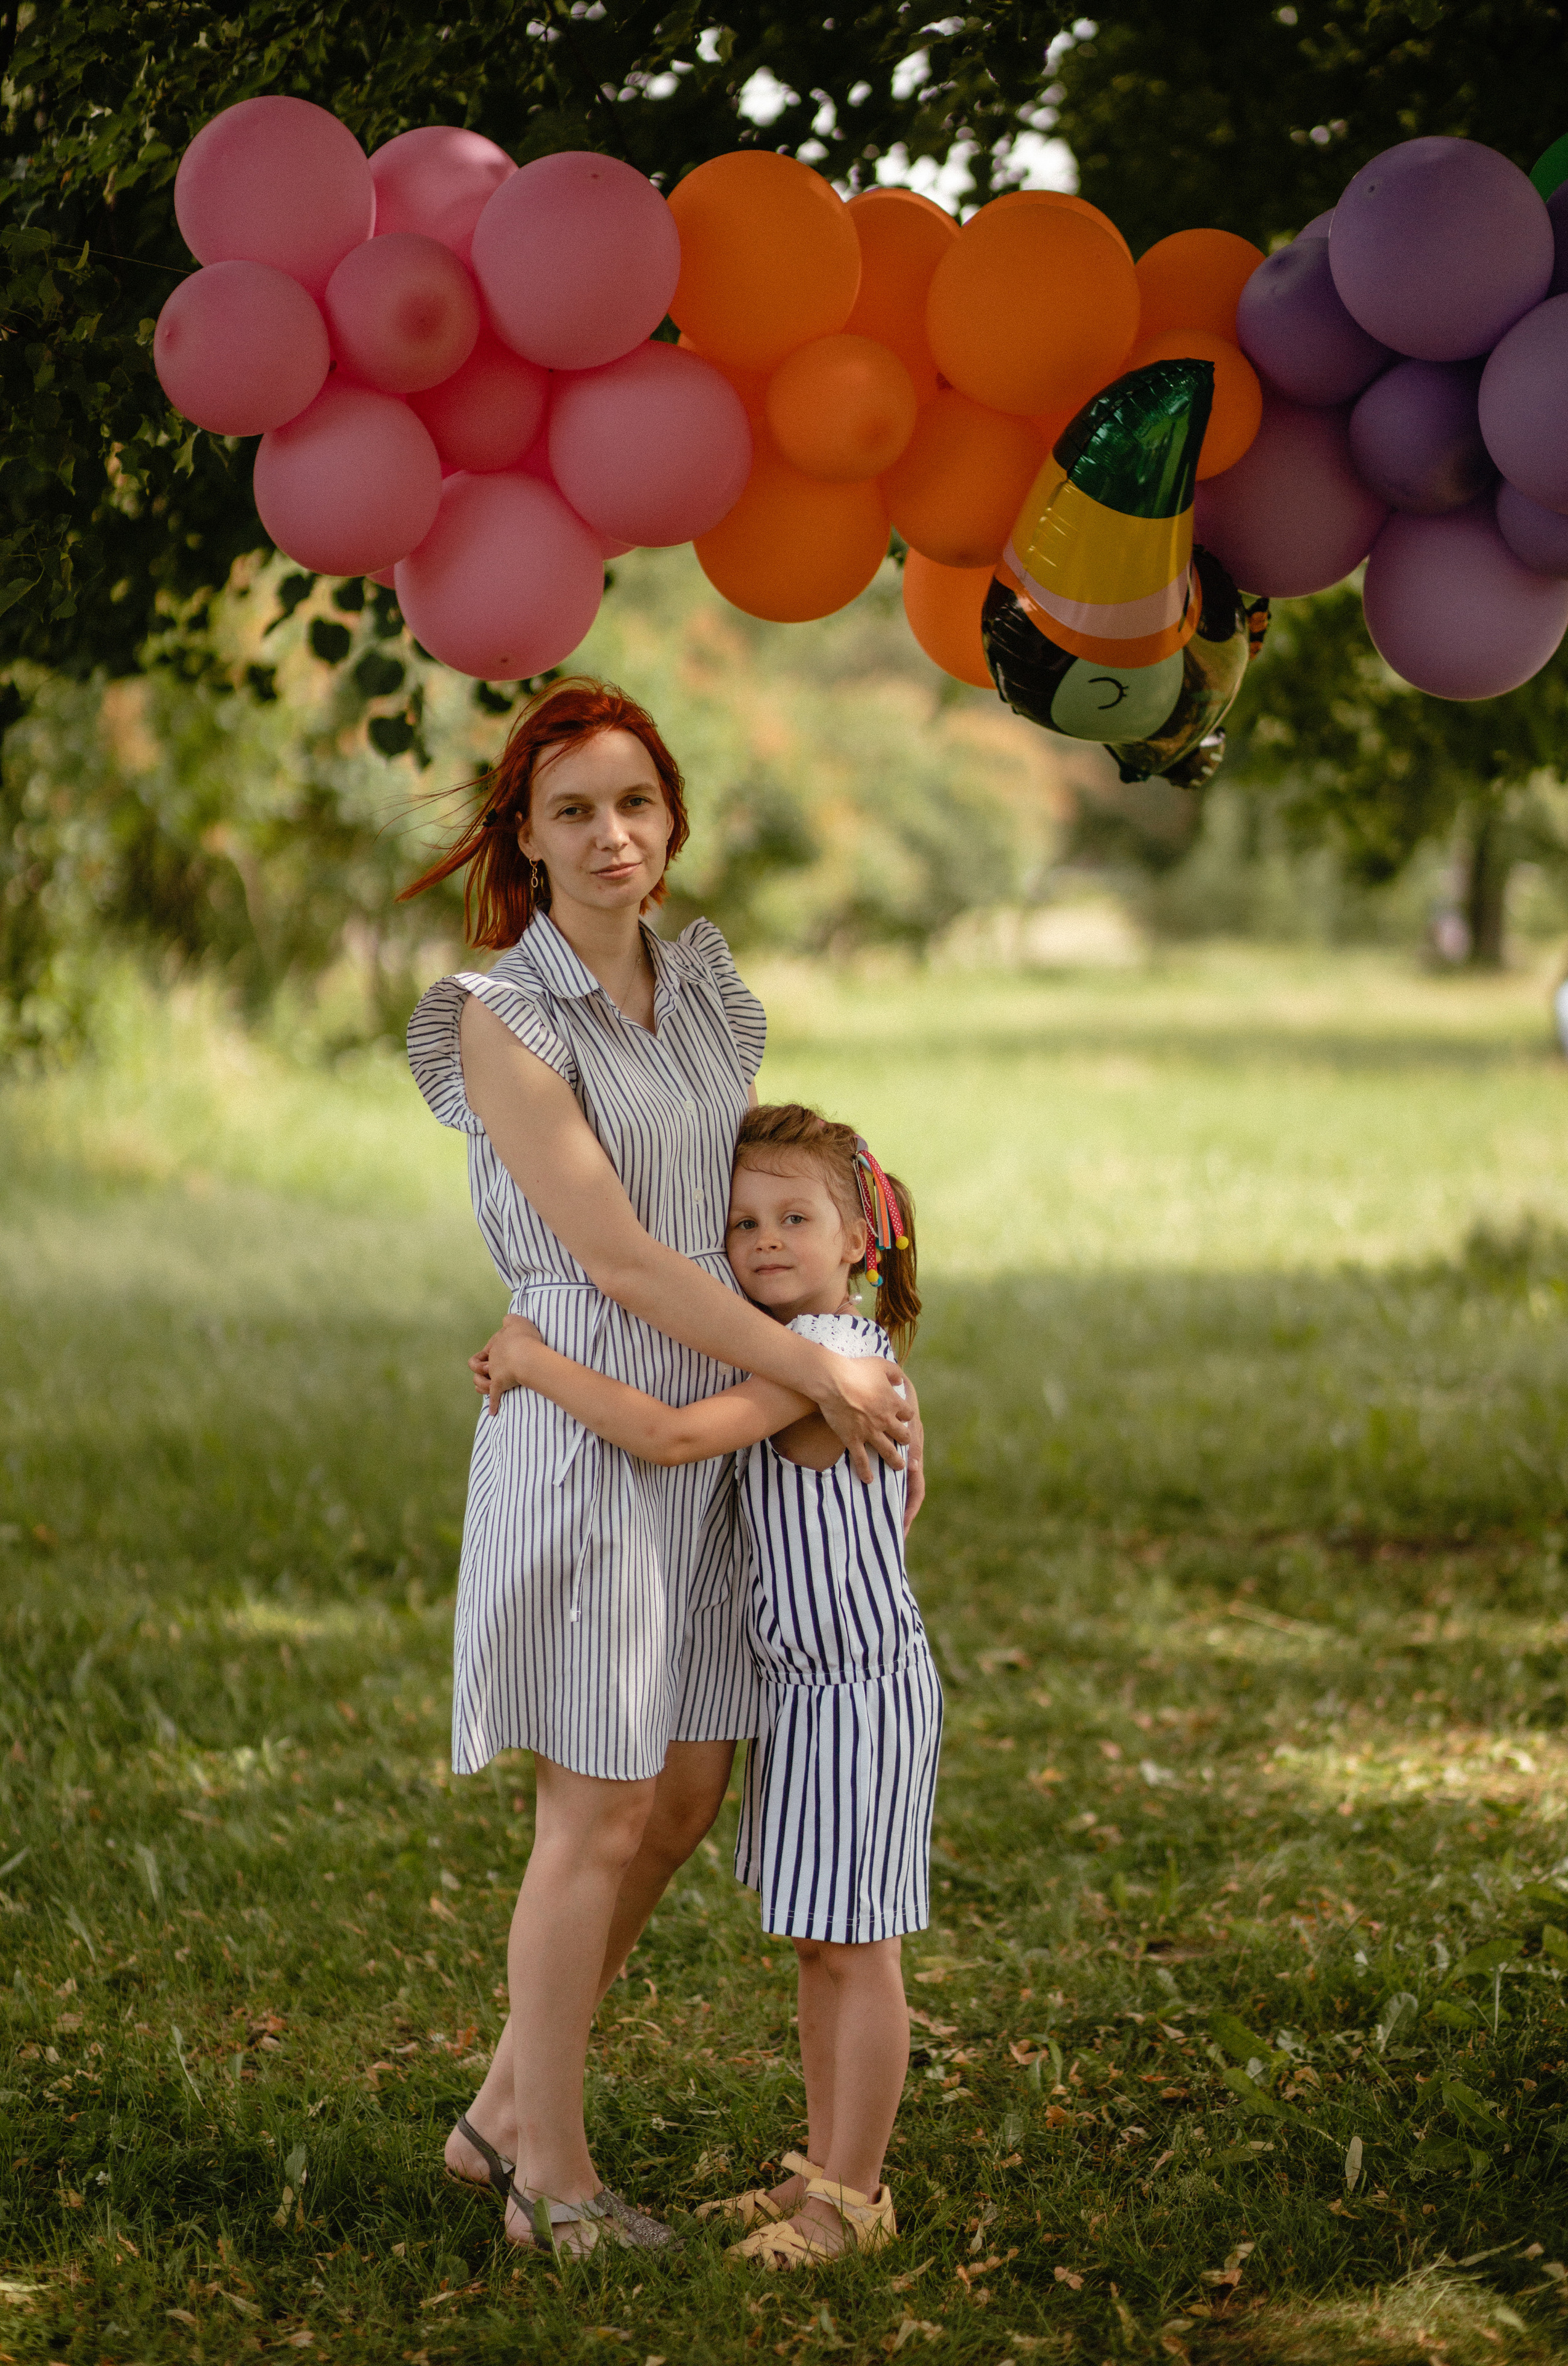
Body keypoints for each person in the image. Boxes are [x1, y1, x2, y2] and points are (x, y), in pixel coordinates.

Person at [402, 680, 917, 2258]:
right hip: (592, 1408)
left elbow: (750, 1198)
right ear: (527, 840)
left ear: (671, 815)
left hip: (714, 1408)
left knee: (685, 1785)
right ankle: (545, 2176)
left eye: (633, 802)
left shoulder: (704, 987)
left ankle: (496, 2109)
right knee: (599, 1801)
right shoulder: (502, 1016)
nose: (610, 835)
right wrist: (814, 1370)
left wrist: (840, 1307)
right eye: (572, 811)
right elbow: (621, 1254)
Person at [474, 1101, 943, 2268]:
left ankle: (854, 2201)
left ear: (858, 1243)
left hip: (857, 1695)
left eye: (797, 1216)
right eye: (741, 1222)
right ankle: (819, 2175)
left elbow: (674, 1438)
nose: (767, 1239)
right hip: (805, 1694)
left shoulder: (827, 1368)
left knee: (858, 1950)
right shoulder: (816, 1355)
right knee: (818, 1947)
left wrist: (536, 1361)